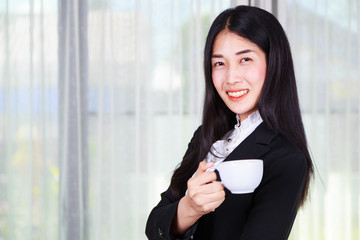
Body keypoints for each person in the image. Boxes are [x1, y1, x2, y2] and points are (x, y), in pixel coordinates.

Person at [145, 5, 314, 240]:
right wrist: (189, 208)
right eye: (219, 64)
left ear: (274, 63)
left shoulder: (286, 157)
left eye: (245, 59)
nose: (231, 78)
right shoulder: (206, 136)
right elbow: (155, 226)